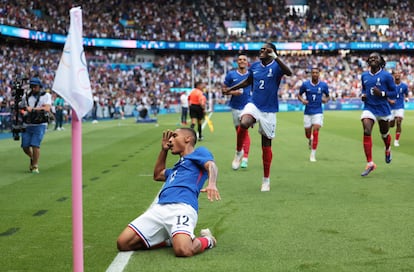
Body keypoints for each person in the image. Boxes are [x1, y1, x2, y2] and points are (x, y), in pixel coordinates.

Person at [116, 128, 220, 257]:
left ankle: (208, 240)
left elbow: (211, 165)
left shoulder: (199, 153)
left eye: (174, 136)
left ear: (188, 139)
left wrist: (212, 183)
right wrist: (163, 150)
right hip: (159, 209)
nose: (170, 140)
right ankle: (169, 241)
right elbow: (158, 174)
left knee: (183, 250)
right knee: (123, 243)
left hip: (182, 207)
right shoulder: (176, 169)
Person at [223, 43, 293, 191]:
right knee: (244, 123)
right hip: (254, 103)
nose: (261, 51)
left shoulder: (276, 66)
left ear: (272, 52)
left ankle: (266, 179)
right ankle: (238, 152)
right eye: (260, 49)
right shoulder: (254, 66)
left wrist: (276, 57)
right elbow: (248, 81)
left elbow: (289, 73)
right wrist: (231, 89)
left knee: (266, 145)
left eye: (265, 50)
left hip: (269, 110)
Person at [360, 52, 397, 177]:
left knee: (384, 134)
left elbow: (394, 93)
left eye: (375, 58)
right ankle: (370, 163)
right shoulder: (364, 75)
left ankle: (387, 149)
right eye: (370, 58)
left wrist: (381, 94)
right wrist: (363, 95)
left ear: (380, 61)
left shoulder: (386, 75)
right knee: (366, 129)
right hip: (369, 108)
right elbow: (363, 89)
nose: (372, 59)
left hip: (383, 110)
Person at [223, 53, 252, 169]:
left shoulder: (251, 75)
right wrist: (233, 92)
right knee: (239, 132)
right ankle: (241, 154)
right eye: (240, 59)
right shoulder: (231, 75)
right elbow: (223, 90)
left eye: (244, 59)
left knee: (245, 130)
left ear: (247, 62)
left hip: (248, 106)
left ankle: (244, 157)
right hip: (235, 106)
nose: (242, 61)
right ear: (237, 62)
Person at [20, 77, 52, 174]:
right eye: (32, 86)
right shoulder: (26, 96)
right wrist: (23, 112)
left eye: (35, 86)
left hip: (40, 124)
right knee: (25, 146)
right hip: (28, 124)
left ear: (39, 86)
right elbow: (22, 108)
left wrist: (33, 109)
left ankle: (35, 165)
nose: (33, 88)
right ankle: (32, 158)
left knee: (35, 144)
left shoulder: (46, 95)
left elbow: (47, 108)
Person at [298, 66, 330, 162]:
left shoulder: (323, 85)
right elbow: (299, 95)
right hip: (307, 112)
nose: (315, 74)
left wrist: (325, 100)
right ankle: (310, 138)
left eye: (316, 72)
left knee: (316, 130)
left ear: (319, 74)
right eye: (313, 73)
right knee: (308, 133)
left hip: (318, 111)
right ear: (311, 74)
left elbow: (328, 96)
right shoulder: (305, 84)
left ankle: (313, 155)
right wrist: (303, 100)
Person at [389, 70, 409, 147]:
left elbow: (406, 94)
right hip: (391, 107)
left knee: (399, 121)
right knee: (391, 125)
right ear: (393, 75)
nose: (397, 75)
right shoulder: (390, 85)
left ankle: (396, 141)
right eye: (395, 73)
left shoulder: (404, 86)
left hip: (400, 106)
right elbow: (385, 95)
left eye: (398, 73)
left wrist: (406, 98)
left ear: (400, 75)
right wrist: (389, 100)